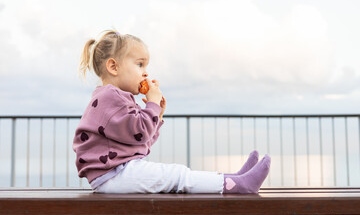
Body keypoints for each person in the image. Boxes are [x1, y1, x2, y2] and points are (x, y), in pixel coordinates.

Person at [73, 30, 271, 194]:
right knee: (178, 176)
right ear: (113, 67)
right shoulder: (111, 96)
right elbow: (140, 132)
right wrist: (152, 104)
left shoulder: (114, 97)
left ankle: (233, 179)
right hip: (114, 175)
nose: (145, 72)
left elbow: (139, 140)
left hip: (114, 174)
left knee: (178, 175)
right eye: (140, 64)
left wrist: (156, 115)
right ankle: (235, 185)